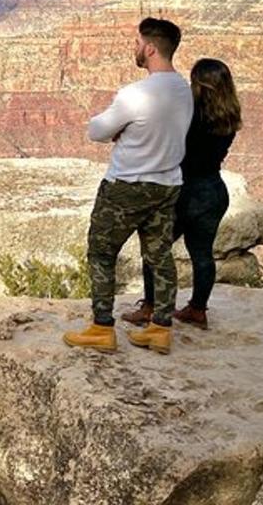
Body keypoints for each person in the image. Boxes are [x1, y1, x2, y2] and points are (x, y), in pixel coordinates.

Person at [63, 17, 193, 355]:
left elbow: (96, 131)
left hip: (127, 187)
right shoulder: (183, 89)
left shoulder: (136, 94)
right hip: (167, 186)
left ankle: (102, 328)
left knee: (102, 253)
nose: (134, 49)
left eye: (137, 43)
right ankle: (160, 329)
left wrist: (120, 131)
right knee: (160, 256)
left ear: (150, 48)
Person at [121, 58, 242, 330]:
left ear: (199, 84)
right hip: (213, 191)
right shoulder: (229, 116)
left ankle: (151, 307)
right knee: (202, 254)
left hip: (183, 192)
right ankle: (197, 311)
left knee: (155, 250)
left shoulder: (188, 115)